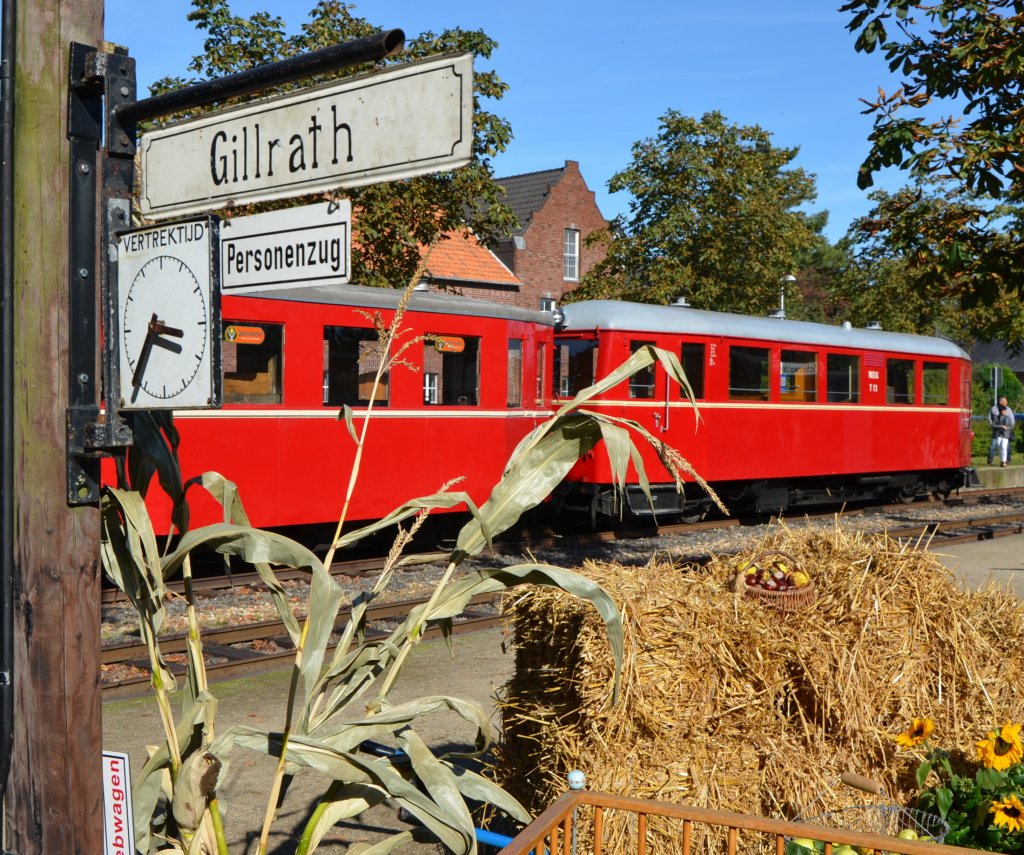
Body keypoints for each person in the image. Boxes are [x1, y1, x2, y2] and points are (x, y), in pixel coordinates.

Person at [989, 397, 1015, 467]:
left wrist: (1008, 428)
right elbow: (993, 424)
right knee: (1000, 447)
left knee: (1004, 447)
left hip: (1006, 433)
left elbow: (1011, 423)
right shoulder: (996, 414)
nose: (1006, 412)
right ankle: (1001, 461)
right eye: (1004, 411)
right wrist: (1002, 426)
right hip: (998, 433)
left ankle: (1005, 461)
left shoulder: (1008, 416)